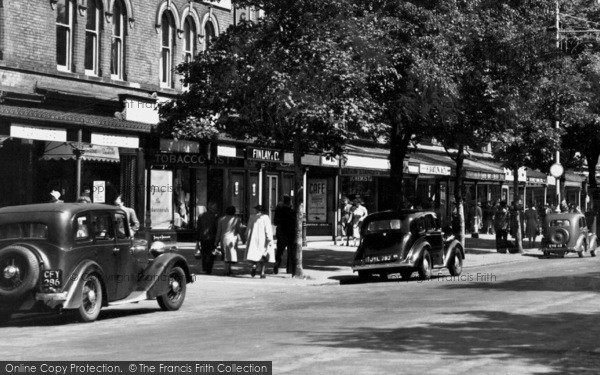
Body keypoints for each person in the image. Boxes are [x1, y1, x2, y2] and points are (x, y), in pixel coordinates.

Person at [245, 204, 275, 278]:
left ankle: (254, 266)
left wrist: (247, 238)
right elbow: (268, 229)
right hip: (263, 239)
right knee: (263, 256)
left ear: (257, 210)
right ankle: (262, 272)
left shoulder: (252, 217)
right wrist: (269, 240)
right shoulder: (265, 218)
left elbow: (248, 229)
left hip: (253, 239)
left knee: (255, 255)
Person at [214, 206, 243, 276]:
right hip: (233, 238)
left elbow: (219, 231)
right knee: (231, 254)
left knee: (226, 255)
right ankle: (228, 269)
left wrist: (216, 241)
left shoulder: (221, 219)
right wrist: (243, 238)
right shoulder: (237, 219)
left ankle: (227, 270)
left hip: (224, 238)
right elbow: (240, 230)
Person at [273, 195, 295, 275]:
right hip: (290, 233)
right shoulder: (292, 212)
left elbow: (275, 222)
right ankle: (290, 269)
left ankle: (277, 263)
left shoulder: (279, 211)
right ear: (289, 202)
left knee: (279, 251)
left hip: (281, 232)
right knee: (291, 251)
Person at [196, 201, 219, 275]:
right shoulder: (215, 216)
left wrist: (197, 238)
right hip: (212, 237)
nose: (216, 209)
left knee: (204, 253)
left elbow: (198, 227)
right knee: (211, 253)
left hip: (203, 237)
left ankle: (204, 268)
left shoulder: (201, 215)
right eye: (215, 207)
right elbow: (216, 227)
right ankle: (209, 269)